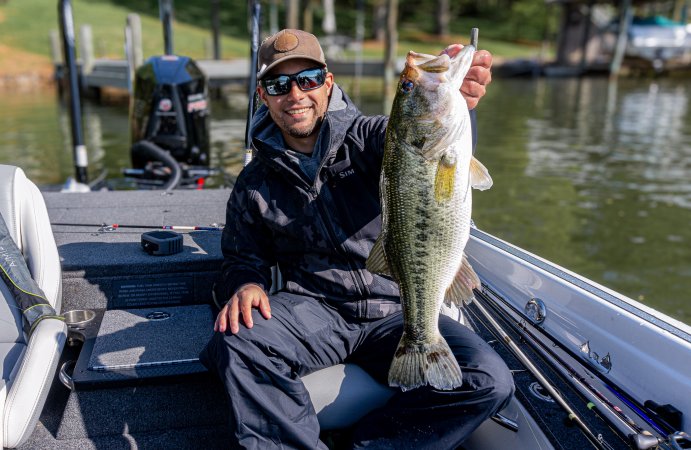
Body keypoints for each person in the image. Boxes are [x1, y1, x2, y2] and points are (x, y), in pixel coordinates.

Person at [200, 28, 514, 449]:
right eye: (279, 84)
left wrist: (462, 101)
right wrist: (246, 284)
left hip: (397, 305)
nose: (295, 94)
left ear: (328, 83)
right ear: (264, 96)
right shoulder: (254, 183)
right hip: (315, 309)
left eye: (307, 79)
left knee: (489, 380)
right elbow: (241, 256)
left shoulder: (373, 138)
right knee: (235, 344)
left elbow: (422, 143)